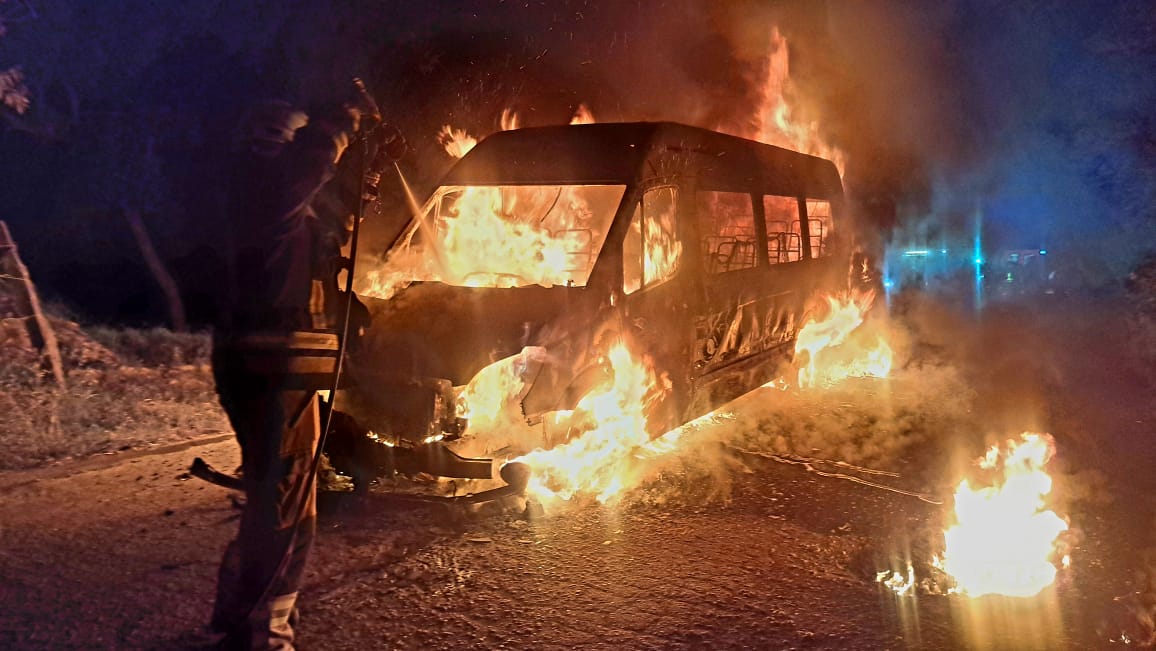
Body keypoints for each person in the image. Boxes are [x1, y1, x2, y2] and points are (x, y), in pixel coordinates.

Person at [209, 94, 370, 650]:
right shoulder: (263, 189)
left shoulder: (257, 203)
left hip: (267, 366)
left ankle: (239, 615)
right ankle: (263, 634)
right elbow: (298, 180)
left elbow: (312, 235)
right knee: (285, 502)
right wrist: (338, 126)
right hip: (274, 369)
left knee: (269, 495)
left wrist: (347, 197)